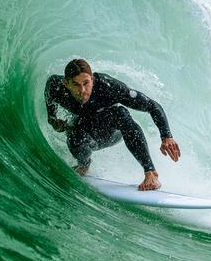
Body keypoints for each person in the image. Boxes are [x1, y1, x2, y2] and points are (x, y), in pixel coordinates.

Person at [44, 59, 180, 191]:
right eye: (76, 84)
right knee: (75, 131)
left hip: (111, 133)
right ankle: (84, 165)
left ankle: (150, 173)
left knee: (120, 113)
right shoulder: (55, 86)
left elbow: (152, 106)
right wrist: (53, 120)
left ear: (92, 78)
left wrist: (166, 136)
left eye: (86, 83)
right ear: (66, 83)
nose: (83, 90)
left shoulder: (107, 86)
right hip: (86, 133)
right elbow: (50, 105)